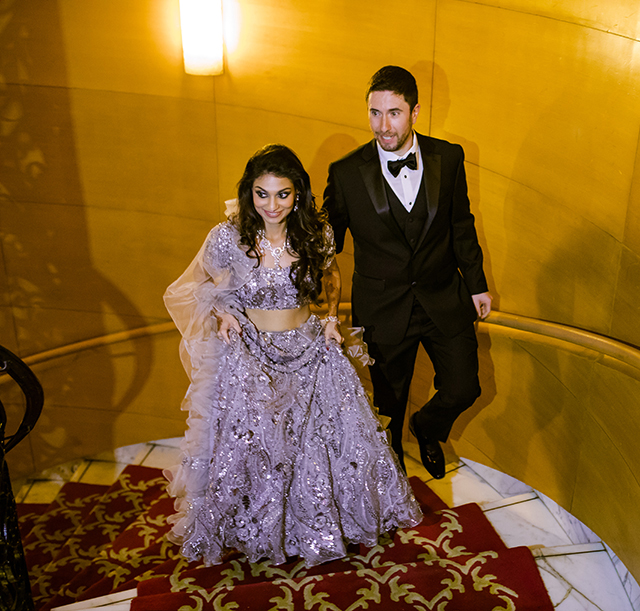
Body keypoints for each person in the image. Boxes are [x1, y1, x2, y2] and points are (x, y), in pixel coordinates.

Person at [163, 144, 422, 568]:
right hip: (250, 353)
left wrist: (332, 318)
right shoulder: (227, 237)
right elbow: (202, 286)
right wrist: (224, 313)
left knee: (319, 445)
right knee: (260, 448)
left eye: (282, 194)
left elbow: (331, 273)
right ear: (249, 193)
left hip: (309, 347)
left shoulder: (316, 233)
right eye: (262, 194)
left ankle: (316, 529)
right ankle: (258, 530)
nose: (272, 205)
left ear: (297, 193)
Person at [324, 66, 492, 480]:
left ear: (415, 112)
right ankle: (394, 480)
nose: (383, 125)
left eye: (394, 113)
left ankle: (428, 427)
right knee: (389, 408)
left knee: (464, 387)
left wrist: (477, 284)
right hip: (382, 309)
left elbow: (461, 224)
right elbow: (326, 242)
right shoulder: (345, 173)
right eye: (375, 113)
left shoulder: (448, 157)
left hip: (443, 296)